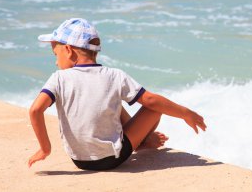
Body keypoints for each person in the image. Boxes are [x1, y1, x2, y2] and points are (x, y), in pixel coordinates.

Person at [28, 18, 207, 171]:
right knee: (152, 107)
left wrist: (45, 149)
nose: (56, 62)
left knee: (108, 101)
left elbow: (35, 110)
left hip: (80, 160)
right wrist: (186, 113)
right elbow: (151, 101)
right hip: (113, 158)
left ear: (68, 50)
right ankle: (141, 142)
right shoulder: (114, 75)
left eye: (55, 54)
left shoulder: (58, 78)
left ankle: (142, 142)